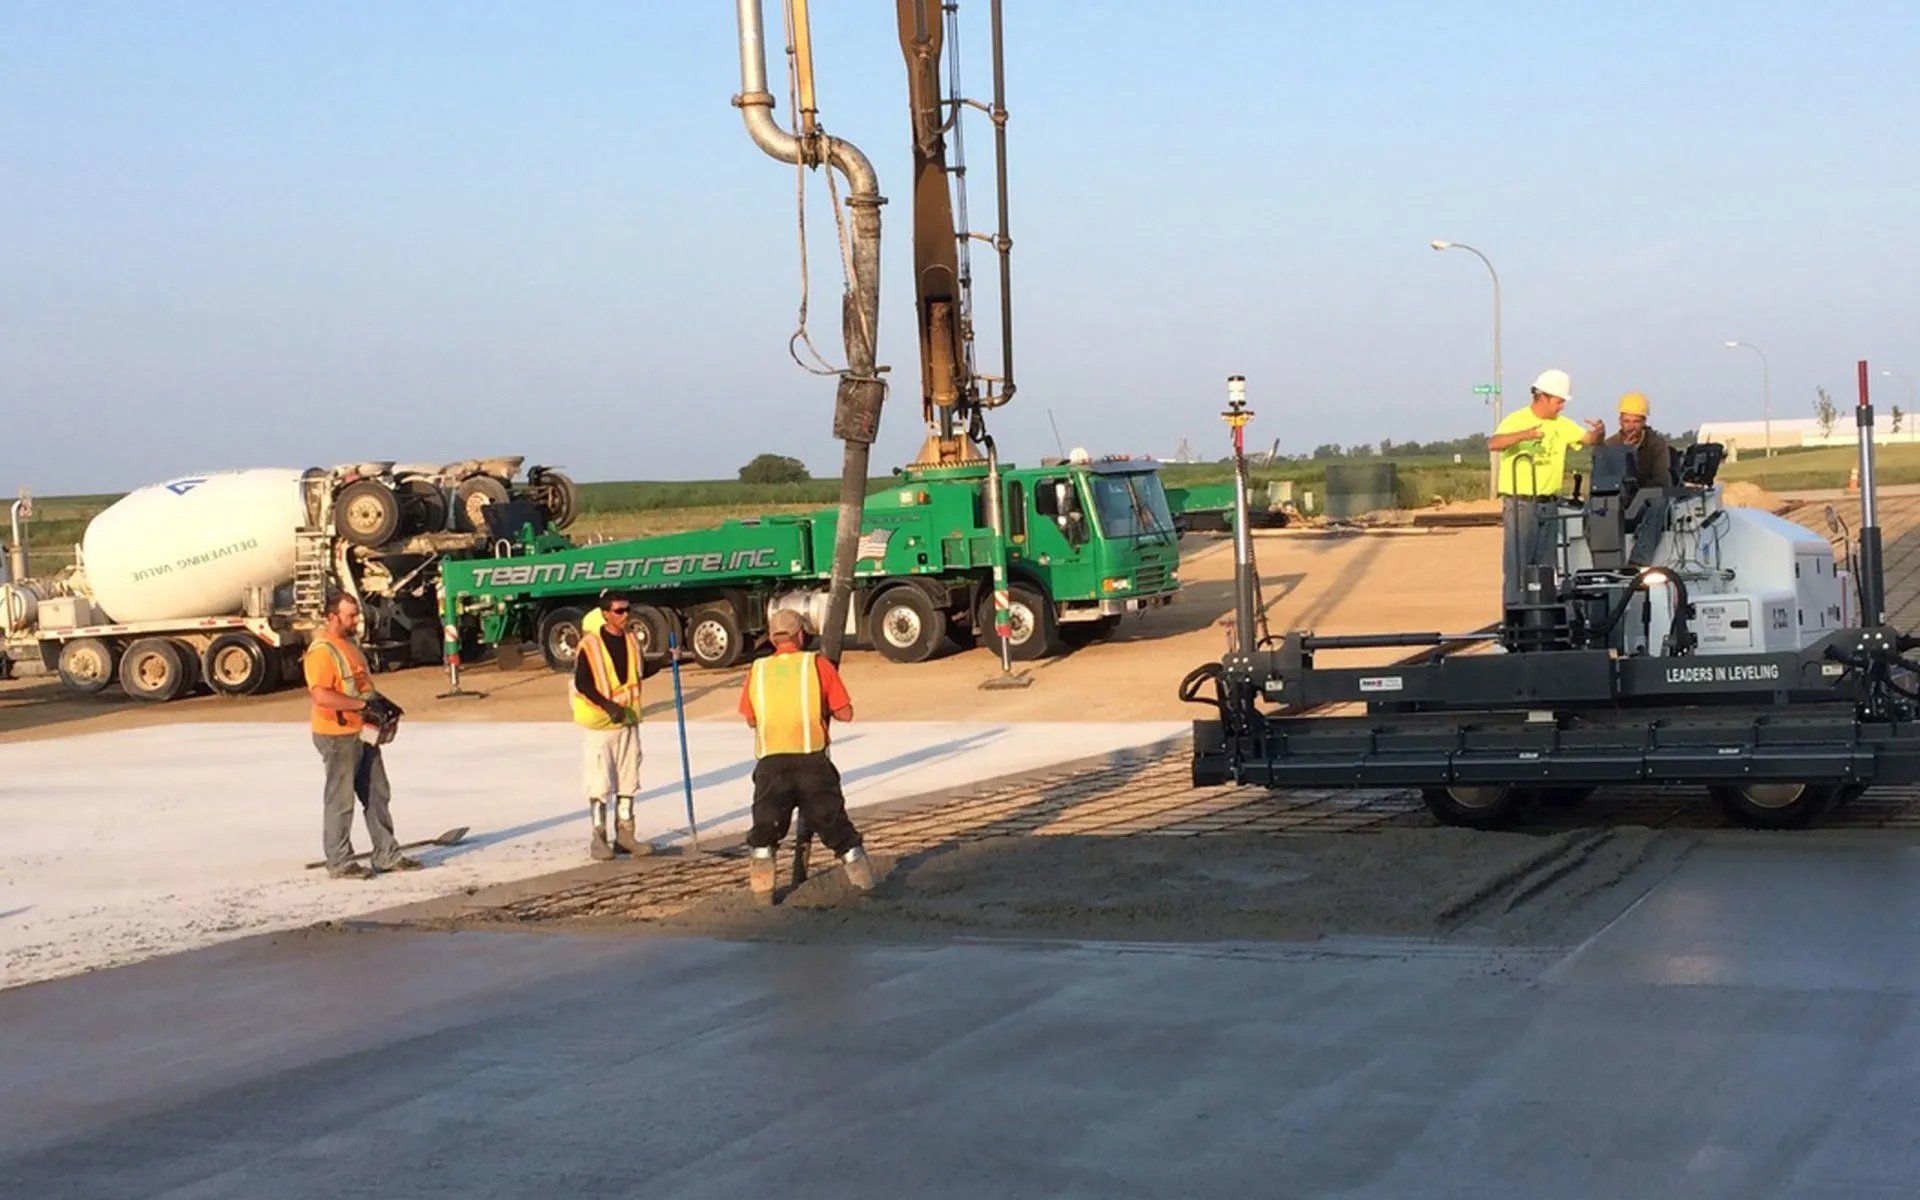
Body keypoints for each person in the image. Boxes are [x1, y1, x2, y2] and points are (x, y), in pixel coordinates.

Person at [737, 609, 874, 905]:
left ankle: (763, 900)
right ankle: (866, 889)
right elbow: (845, 713)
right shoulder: (816, 664)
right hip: (812, 763)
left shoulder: (757, 671)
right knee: (837, 828)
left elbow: (750, 719)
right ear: (801, 635)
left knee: (765, 831)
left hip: (771, 766)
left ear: (773, 639)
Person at [305, 593, 419, 879]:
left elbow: (360, 687)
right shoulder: (322, 652)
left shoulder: (349, 646)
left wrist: (382, 705)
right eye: (350, 615)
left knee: (378, 792)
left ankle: (386, 854)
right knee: (340, 800)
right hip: (336, 735)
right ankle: (340, 861)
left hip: (361, 732)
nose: (356, 620)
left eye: (356, 614)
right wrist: (363, 706)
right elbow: (321, 695)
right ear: (332, 616)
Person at [1487, 368, 1603, 609]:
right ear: (1543, 396)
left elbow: (1589, 440)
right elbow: (1494, 442)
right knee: (1518, 565)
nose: (1561, 407)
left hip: (1549, 504)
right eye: (1559, 401)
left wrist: (1598, 432)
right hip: (1522, 504)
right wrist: (1524, 435)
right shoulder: (1517, 419)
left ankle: (1544, 615)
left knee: (1546, 566)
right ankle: (1516, 619)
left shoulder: (1562, 425)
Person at [572, 591, 668, 860]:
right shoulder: (589, 645)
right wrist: (608, 705)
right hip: (600, 725)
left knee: (628, 781)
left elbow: (638, 672)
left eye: (627, 610)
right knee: (599, 783)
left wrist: (663, 660)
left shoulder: (631, 640)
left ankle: (625, 835)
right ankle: (598, 838)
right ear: (605, 613)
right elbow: (583, 683)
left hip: (627, 721)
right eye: (619, 611)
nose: (625, 615)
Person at [1606, 391, 1676, 567]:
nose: (1631, 427)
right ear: (1620, 421)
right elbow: (1605, 478)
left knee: (1659, 502)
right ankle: (1606, 561)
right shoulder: (1610, 445)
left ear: (1644, 422)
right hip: (1620, 499)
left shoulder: (1656, 444)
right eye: (1627, 421)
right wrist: (1624, 454)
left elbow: (1662, 480)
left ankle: (1638, 560)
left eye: (1636, 421)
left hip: (1647, 500)